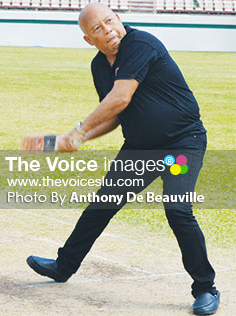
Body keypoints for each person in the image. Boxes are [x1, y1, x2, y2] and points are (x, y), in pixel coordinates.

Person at [22, 3, 219, 315]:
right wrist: (79, 139)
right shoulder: (100, 67)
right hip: (142, 148)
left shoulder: (141, 44)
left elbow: (120, 98)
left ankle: (205, 288)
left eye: (109, 21)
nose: (108, 30)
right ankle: (64, 266)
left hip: (182, 143)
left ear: (119, 19)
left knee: (177, 208)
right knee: (103, 205)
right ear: (89, 40)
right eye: (97, 29)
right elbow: (114, 115)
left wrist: (75, 132)